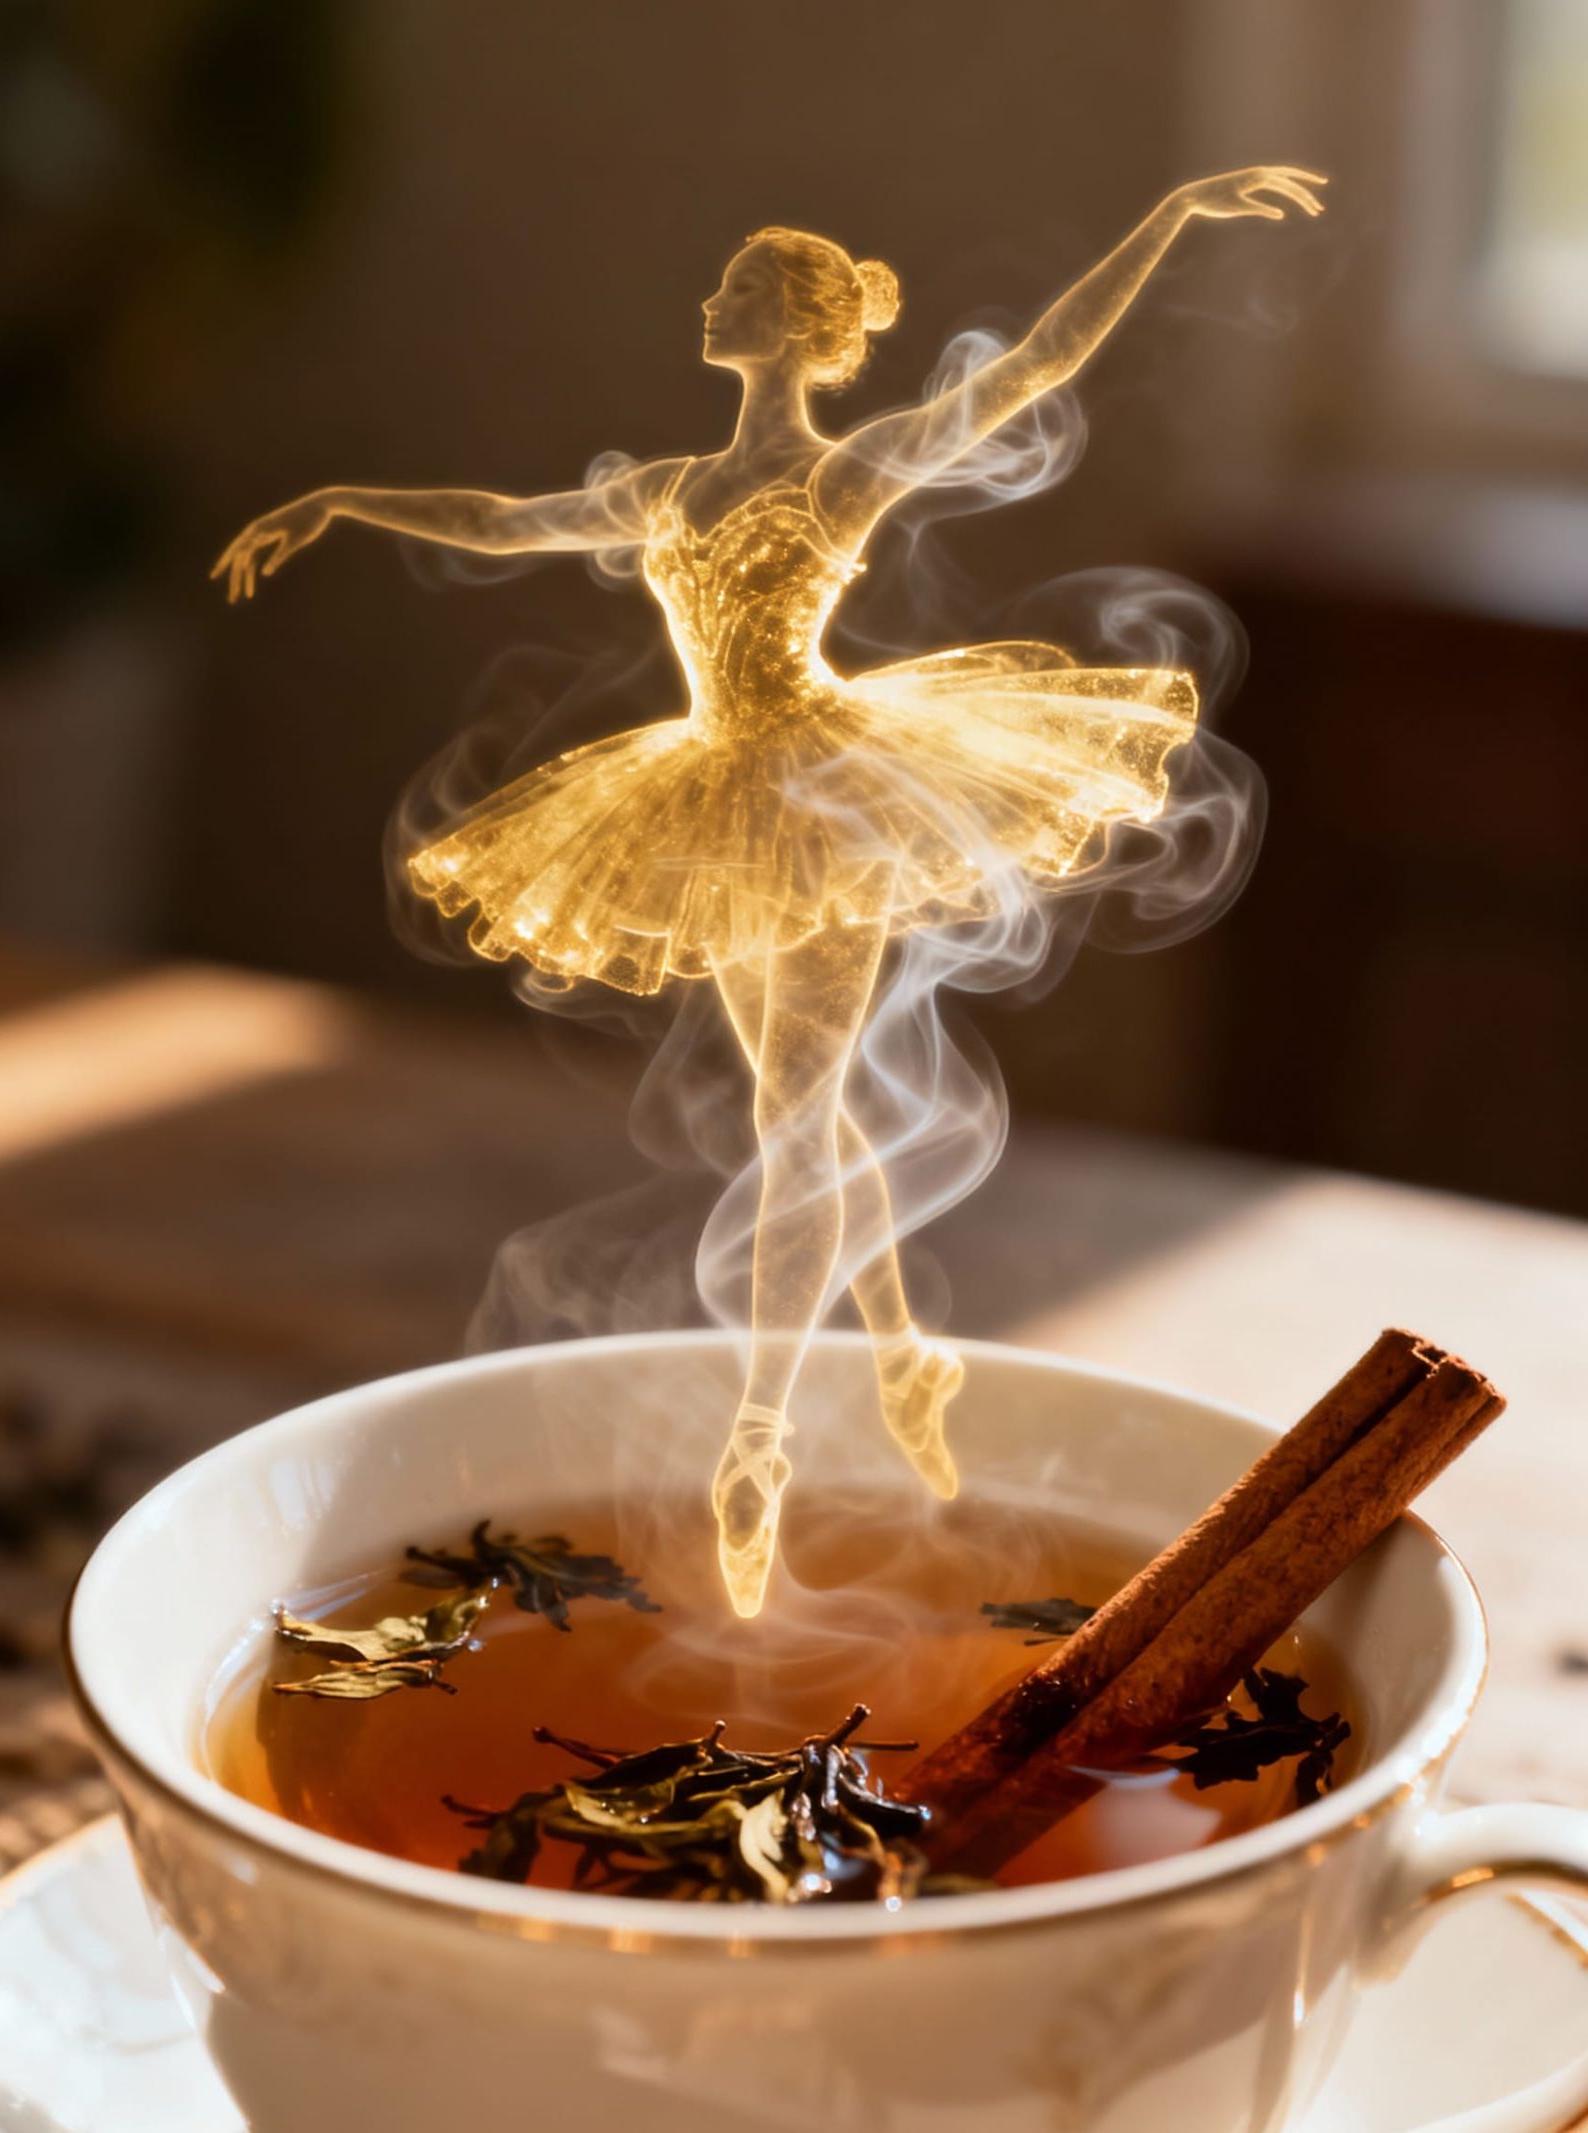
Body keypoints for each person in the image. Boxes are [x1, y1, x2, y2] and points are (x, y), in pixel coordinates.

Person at [215, 166, 1326, 1616]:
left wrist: (1169, 220)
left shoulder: (844, 472)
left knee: (802, 1122)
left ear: (796, 331)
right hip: (717, 796)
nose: (711, 300)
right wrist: (344, 500)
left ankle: (761, 1439)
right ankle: (904, 1347)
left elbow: (1037, 365)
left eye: (740, 290)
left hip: (823, 793)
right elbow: (499, 519)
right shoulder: (675, 491)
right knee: (799, 1108)